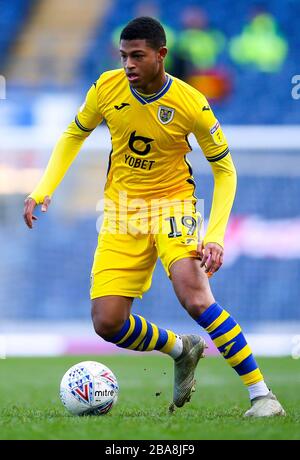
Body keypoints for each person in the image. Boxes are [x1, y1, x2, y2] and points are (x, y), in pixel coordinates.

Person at [23, 17, 285, 417]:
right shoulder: (106, 88)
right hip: (120, 212)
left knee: (194, 295)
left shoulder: (190, 102)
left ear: (161, 55)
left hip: (173, 206)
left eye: (137, 56)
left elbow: (225, 169)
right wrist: (43, 188)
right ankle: (182, 349)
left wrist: (214, 235)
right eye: (124, 56)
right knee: (108, 323)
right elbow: (74, 133)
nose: (128, 64)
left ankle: (262, 395)